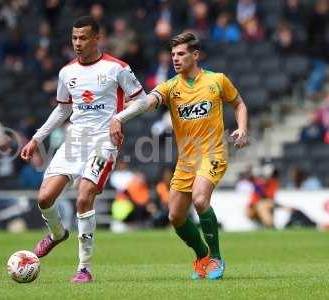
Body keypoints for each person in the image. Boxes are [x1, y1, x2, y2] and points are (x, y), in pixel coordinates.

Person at [110, 32, 248, 280]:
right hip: (186, 160)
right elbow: (147, 102)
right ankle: (202, 255)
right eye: (173, 54)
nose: (175, 58)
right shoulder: (171, 86)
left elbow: (239, 104)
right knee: (175, 216)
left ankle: (216, 257)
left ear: (195, 55)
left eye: (181, 53)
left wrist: (242, 128)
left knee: (200, 199)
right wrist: (120, 117)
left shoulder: (217, 80)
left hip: (213, 153)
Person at [20, 16, 145, 284]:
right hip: (74, 140)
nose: (77, 43)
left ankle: (84, 268)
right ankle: (57, 235)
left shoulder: (117, 68)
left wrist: (118, 118)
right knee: (44, 198)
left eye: (83, 38)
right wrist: (36, 138)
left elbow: (143, 101)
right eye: (74, 38)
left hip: (104, 141)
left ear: (97, 38)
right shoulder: (67, 72)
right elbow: (63, 108)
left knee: (84, 197)